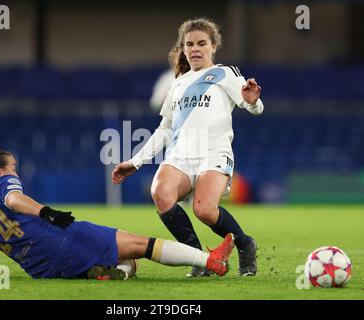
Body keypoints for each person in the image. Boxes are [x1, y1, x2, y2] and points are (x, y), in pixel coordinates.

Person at [112, 18, 263, 277]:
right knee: (160, 192)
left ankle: (245, 244)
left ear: (213, 47)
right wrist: (136, 162)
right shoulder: (178, 83)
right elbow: (165, 128)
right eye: (189, 44)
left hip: (213, 152)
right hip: (181, 154)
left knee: (203, 210)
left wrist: (252, 102)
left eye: (202, 43)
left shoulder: (225, 74)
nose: (195, 49)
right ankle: (199, 259)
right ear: (183, 48)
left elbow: (252, 105)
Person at [0, 148, 234, 280]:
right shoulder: (0, 183)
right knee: (141, 245)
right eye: (13, 167)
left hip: (40, 269)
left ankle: (110, 273)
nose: (14, 172)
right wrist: (47, 213)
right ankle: (211, 260)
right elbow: (15, 199)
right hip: (59, 239)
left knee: (127, 262)